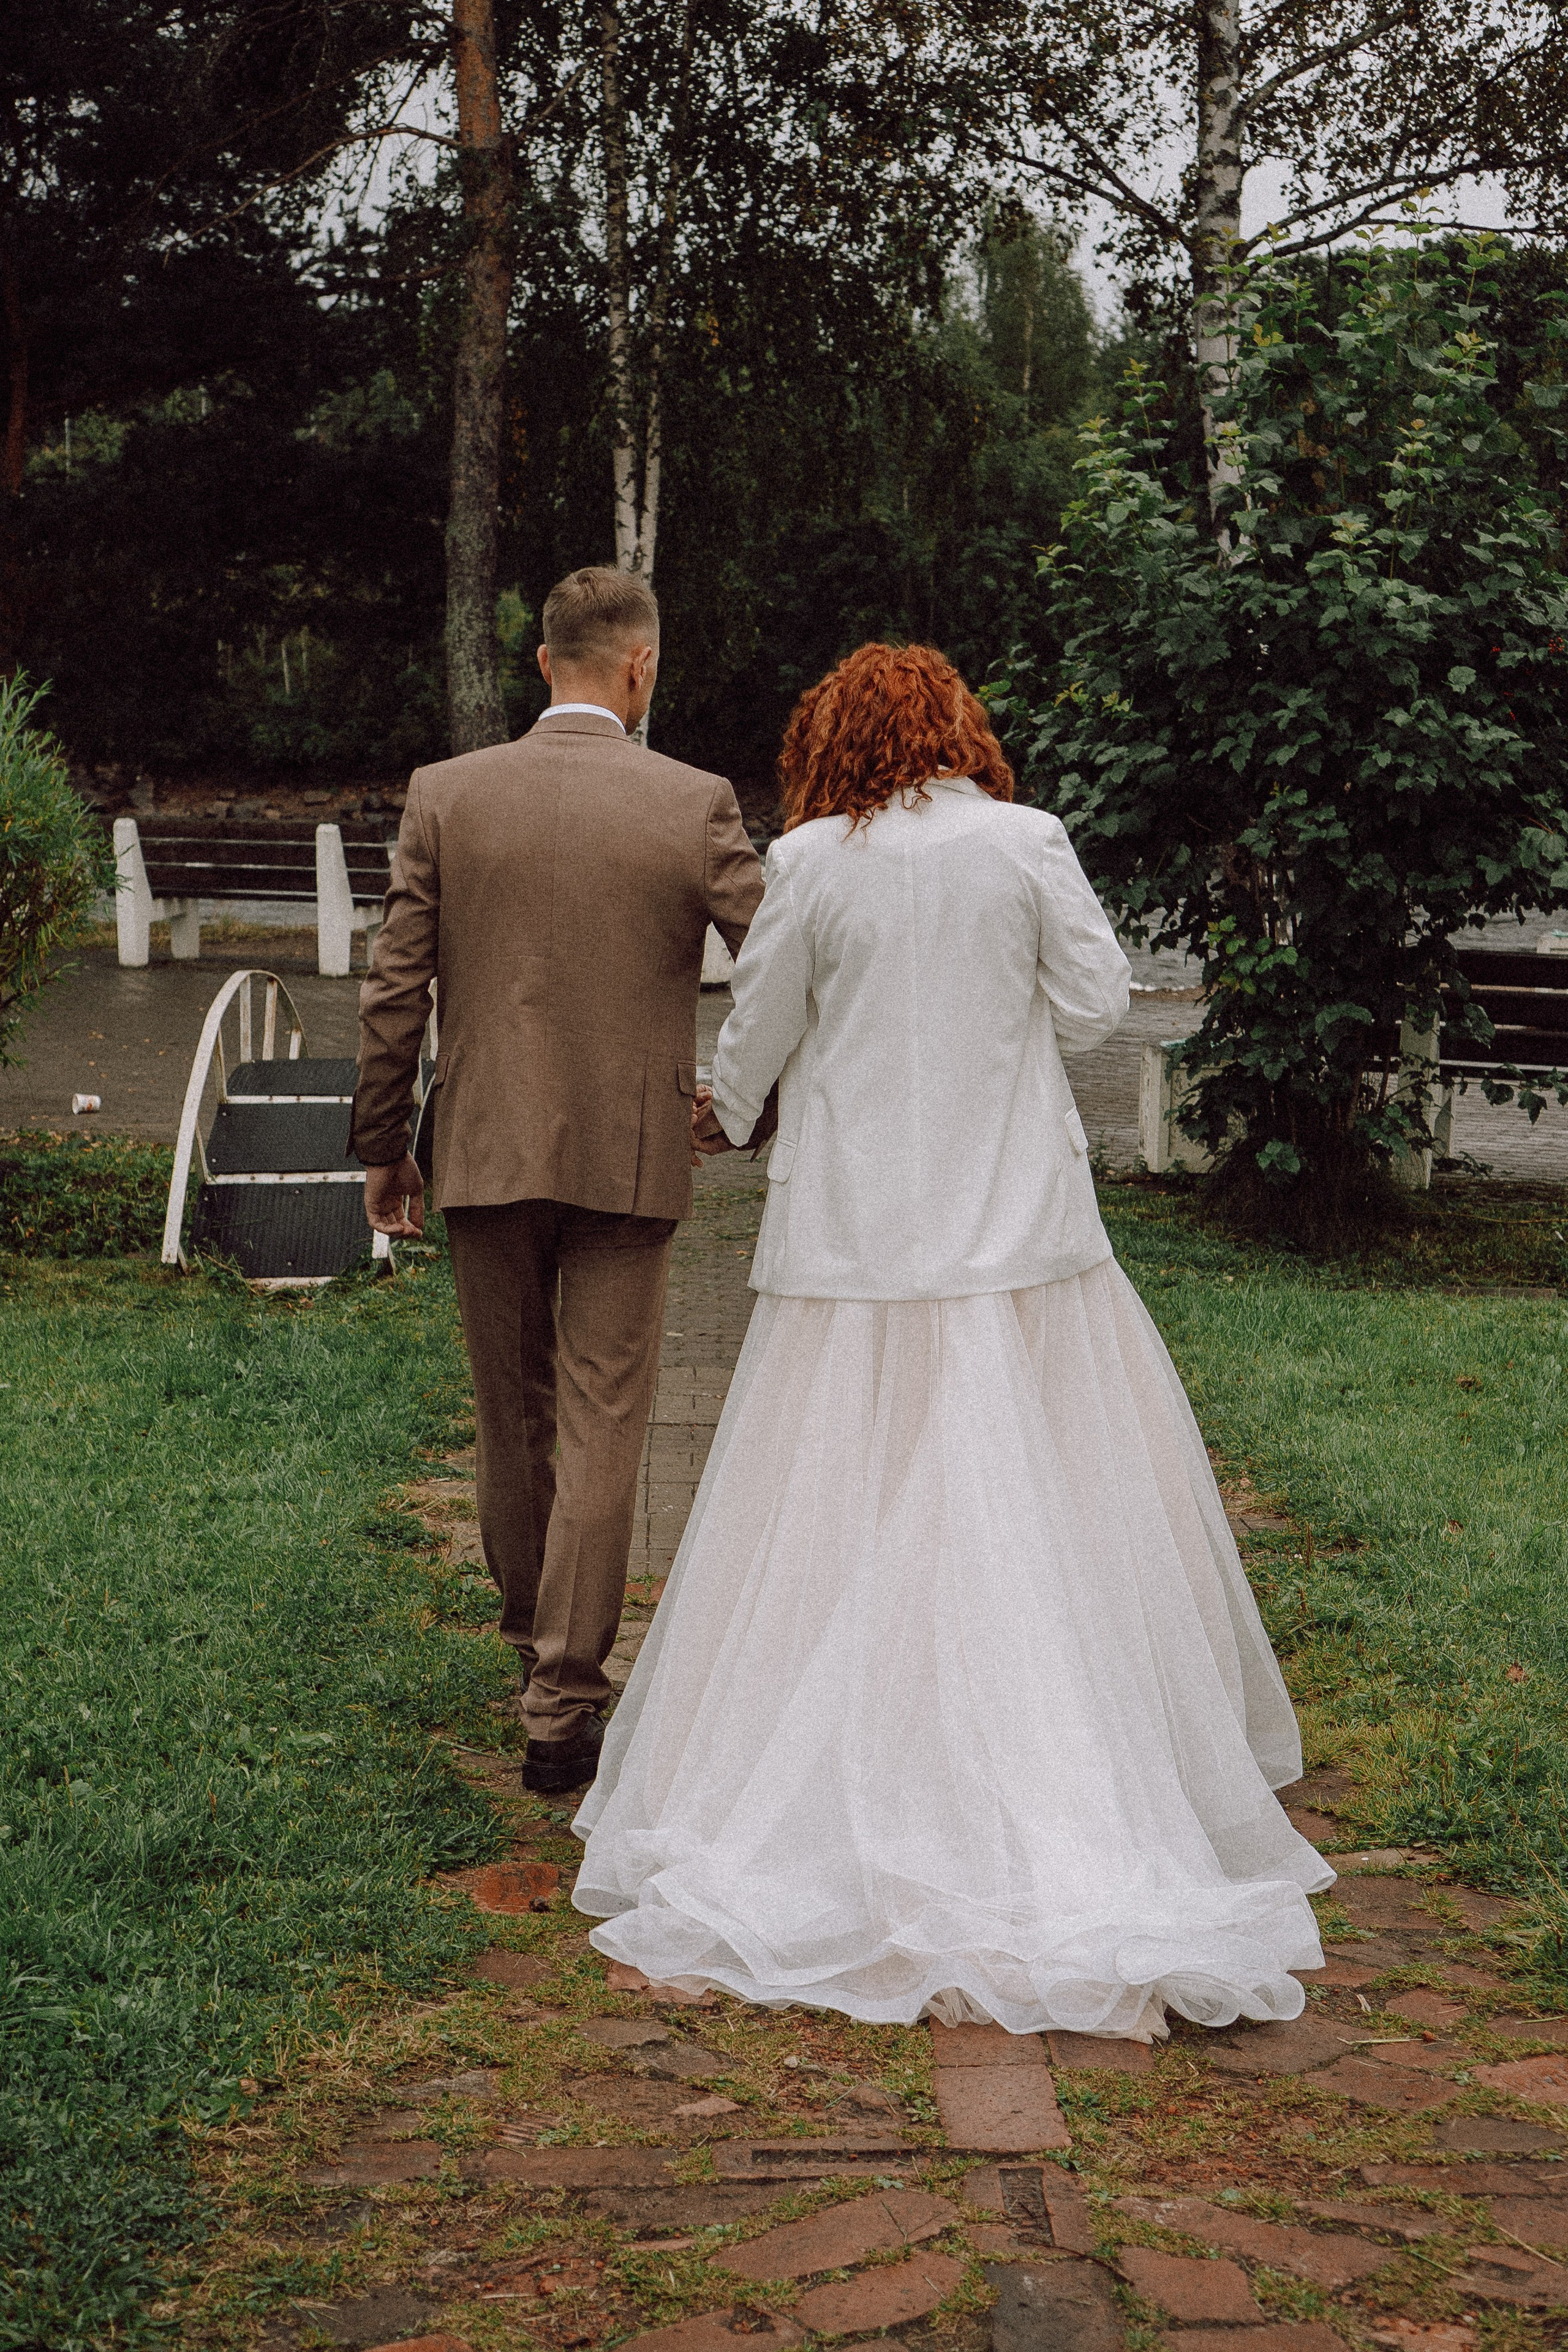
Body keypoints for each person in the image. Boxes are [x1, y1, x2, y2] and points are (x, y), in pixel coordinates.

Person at [573, 641, 1332, 2038]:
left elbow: (762, 1025)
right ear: (959, 732)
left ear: (831, 742)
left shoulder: (808, 861)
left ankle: (851, 1755)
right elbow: (1099, 1003)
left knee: (840, 1485)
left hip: (858, 1229)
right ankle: (1067, 1759)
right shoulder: (1027, 841)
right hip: (1016, 1217)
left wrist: (723, 1109)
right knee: (1036, 1479)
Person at [351, 565, 766, 1795]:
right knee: (602, 1420)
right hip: (631, 1155)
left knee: (511, 1416)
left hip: (481, 1145)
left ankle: (531, 1647)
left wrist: (387, 1144)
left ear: (543, 663)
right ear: (640, 665)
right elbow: (785, 966)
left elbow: (394, 987)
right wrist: (745, 1105)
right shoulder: (694, 804)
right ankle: (563, 1699)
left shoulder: (447, 795)